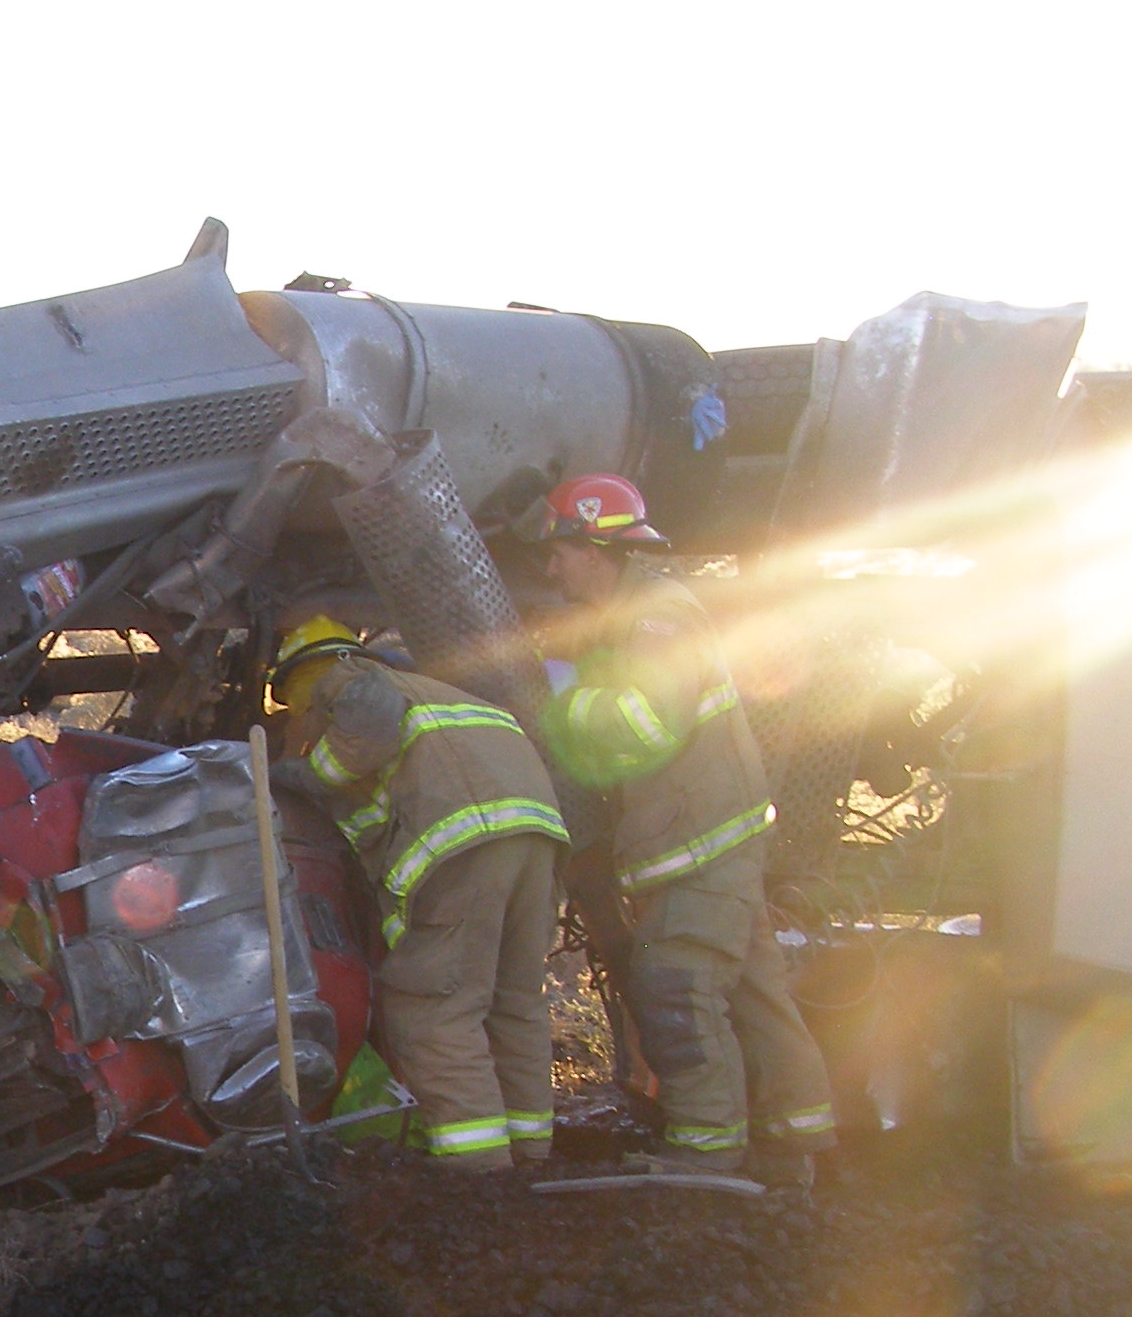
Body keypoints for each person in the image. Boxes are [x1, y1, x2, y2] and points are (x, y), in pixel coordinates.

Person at [515, 472, 837, 1176]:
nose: (551, 567)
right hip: (706, 841)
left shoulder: (658, 617)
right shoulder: (638, 616)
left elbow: (643, 722)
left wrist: (559, 708)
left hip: (701, 845)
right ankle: (793, 1150)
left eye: (559, 553)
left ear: (593, 549)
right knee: (752, 994)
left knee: (675, 984)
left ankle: (705, 1155)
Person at [273, 615, 570, 1172]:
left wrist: (302, 774)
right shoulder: (441, 694)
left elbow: (369, 728)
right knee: (514, 1002)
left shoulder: (347, 679)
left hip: (465, 841)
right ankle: (532, 1152)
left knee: (434, 1009)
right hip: (535, 838)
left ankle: (477, 1173)